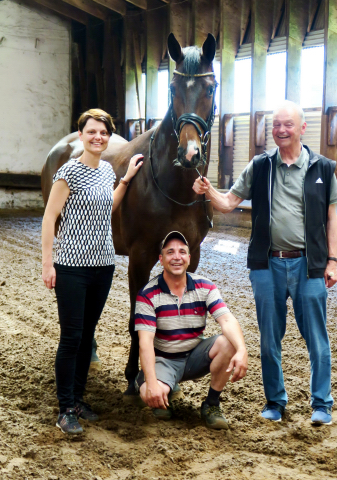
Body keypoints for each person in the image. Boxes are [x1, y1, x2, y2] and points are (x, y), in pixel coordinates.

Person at [192, 100, 337, 425]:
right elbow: (229, 203)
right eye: (276, 124)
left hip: (310, 266)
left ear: (302, 128)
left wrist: (332, 260)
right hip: (267, 265)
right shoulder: (260, 166)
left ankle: (322, 404)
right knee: (269, 338)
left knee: (317, 337)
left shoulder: (322, 168)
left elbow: (332, 218)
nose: (281, 130)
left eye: (287, 124)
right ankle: (275, 401)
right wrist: (207, 191)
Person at [42, 108, 143, 434]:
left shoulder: (105, 173)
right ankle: (65, 408)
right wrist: (48, 262)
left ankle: (79, 400)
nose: (98, 137)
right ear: (82, 134)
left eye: (103, 133)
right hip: (71, 266)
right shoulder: (67, 173)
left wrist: (125, 179)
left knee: (87, 336)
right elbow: (49, 218)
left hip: (102, 266)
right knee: (71, 337)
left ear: (108, 137)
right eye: (92, 132)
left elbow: (107, 205)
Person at [134, 231, 248, 430]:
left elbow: (227, 319)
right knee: (148, 393)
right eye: (170, 252)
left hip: (195, 356)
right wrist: (151, 382)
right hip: (164, 360)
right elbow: (145, 343)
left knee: (228, 342)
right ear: (161, 259)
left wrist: (242, 350)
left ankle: (212, 404)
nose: (176, 257)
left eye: (182, 252)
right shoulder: (147, 294)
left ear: (189, 258)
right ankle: (156, 385)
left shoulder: (205, 286)